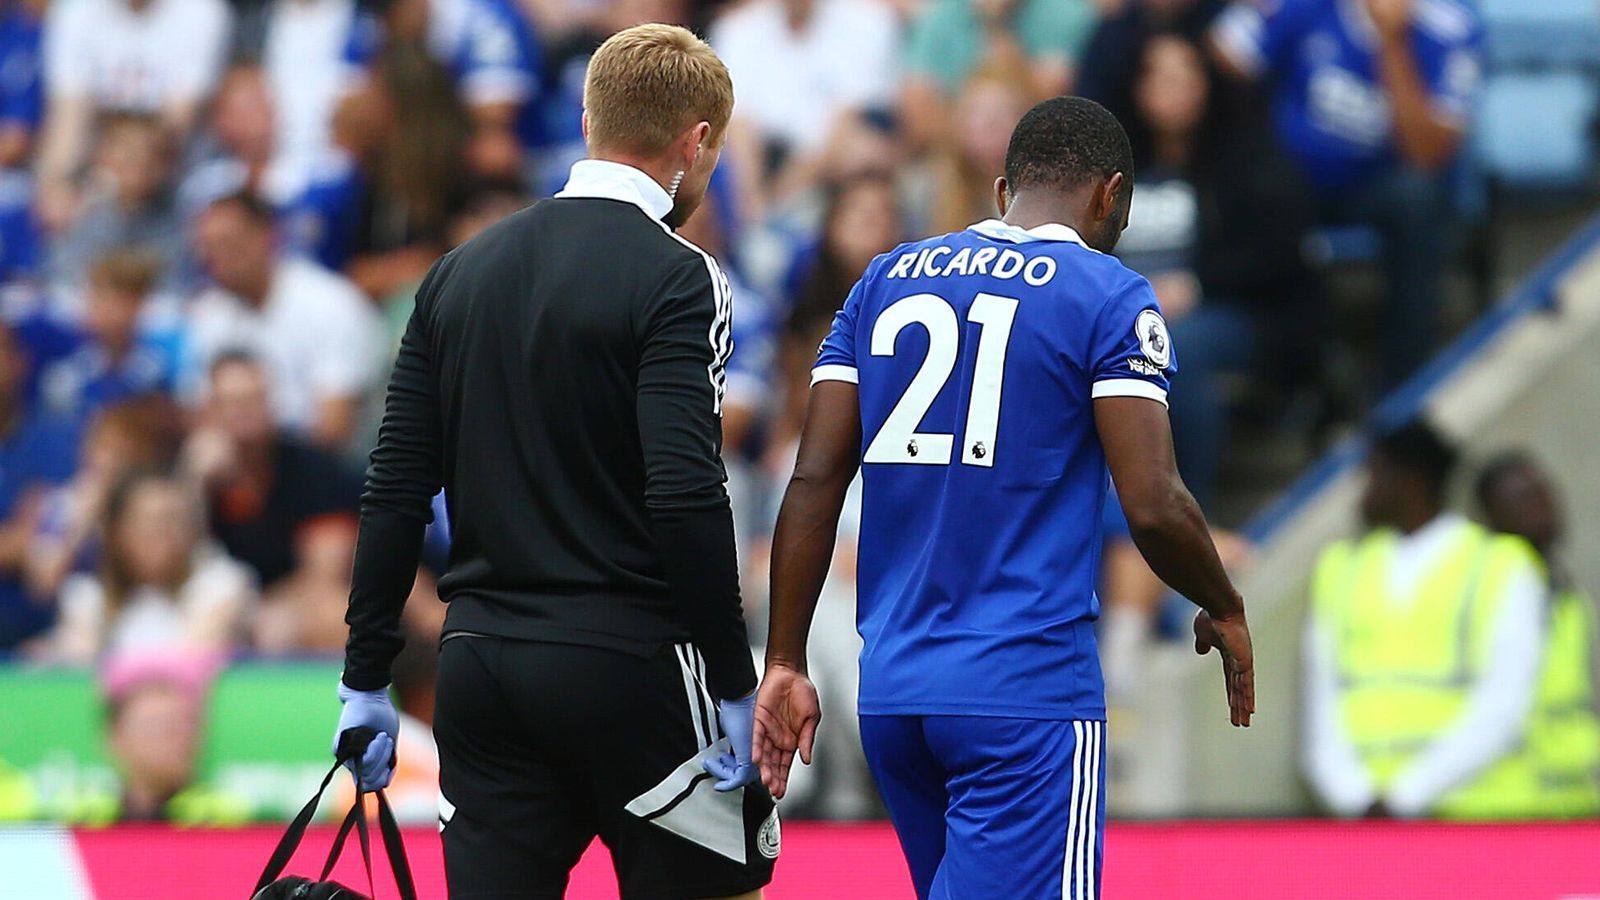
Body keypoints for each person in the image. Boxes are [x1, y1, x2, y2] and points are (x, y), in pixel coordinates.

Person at [754, 97, 1253, 899]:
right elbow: (1154, 504)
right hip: (1022, 696)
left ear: (1002, 192)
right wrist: (1222, 602)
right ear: (1110, 196)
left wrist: (785, 657)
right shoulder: (1108, 293)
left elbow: (814, 480)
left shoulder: (885, 276)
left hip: (896, 695)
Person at [333, 24, 777, 898]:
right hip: (634, 669)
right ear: (697, 143)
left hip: (483, 666)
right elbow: (686, 491)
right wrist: (732, 680)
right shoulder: (684, 277)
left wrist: (365, 675)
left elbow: (393, 489)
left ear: (587, 121)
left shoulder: (456, 274)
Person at [1210, 0, 1482, 383]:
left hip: (1375, 188)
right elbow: (1225, 52)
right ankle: (1281, 379)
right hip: (1294, 183)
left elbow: (1427, 153)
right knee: (1250, 179)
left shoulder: (1452, 25)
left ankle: (1404, 390)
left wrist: (1392, 41)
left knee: (1417, 200)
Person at [1304, 423, 1547, 819]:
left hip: (1479, 819)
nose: (1364, 488)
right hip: (1366, 821)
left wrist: (1404, 797)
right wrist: (1357, 800)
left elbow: (1504, 705)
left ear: (1412, 480)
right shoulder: (1339, 568)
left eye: (1375, 472)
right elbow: (1321, 707)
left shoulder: (1503, 564)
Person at [1117, 31, 1313, 504]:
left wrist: (1198, 284)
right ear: (1139, 88)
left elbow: (1279, 251)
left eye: (1186, 76)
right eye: (1161, 77)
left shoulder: (1246, 155)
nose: (1175, 88)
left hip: (1227, 310)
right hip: (1124, 308)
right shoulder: (1115, 163)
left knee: (1172, 350)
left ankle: (1183, 509)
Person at [187, 190, 383, 451]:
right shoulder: (208, 313)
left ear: (268, 237)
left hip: (328, 469)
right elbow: (200, 414)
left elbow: (335, 429)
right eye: (208, 247)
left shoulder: (331, 303)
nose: (215, 258)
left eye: (228, 243)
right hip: (244, 463)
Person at [1476, 454, 1600, 818]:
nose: (1542, 506)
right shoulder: (1489, 589)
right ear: (1491, 515)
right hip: (1512, 808)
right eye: (1524, 497)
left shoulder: (1566, 594)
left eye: (1544, 493)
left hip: (1574, 801)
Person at [183, 352, 364, 590]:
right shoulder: (196, 473)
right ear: (209, 410)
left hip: (299, 600)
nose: (245, 413)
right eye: (233, 403)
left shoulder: (310, 468)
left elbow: (326, 575)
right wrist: (193, 482)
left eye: (255, 399)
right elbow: (173, 561)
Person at [47, 469, 257, 665]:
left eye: (174, 520)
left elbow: (192, 664)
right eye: (148, 521)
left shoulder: (224, 585)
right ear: (116, 531)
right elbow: (81, 674)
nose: (162, 533)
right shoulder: (85, 598)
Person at [38, 248, 178, 424]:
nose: (114, 313)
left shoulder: (158, 371)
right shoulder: (67, 376)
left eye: (124, 303)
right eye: (104, 300)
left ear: (140, 307)